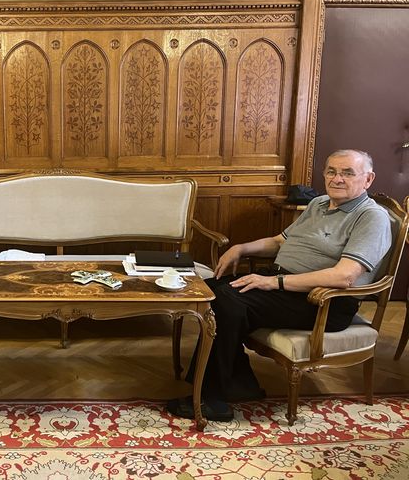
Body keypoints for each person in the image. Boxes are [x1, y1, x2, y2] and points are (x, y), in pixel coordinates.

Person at [166, 149, 392, 422]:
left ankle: (212, 399)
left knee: (227, 301)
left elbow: (343, 277)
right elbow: (279, 241)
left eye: (348, 173)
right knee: (209, 289)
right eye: (331, 171)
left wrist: (274, 282)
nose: (337, 179)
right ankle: (238, 383)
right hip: (285, 287)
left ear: (368, 179)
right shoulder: (319, 203)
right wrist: (241, 248)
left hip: (323, 301)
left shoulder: (371, 217)